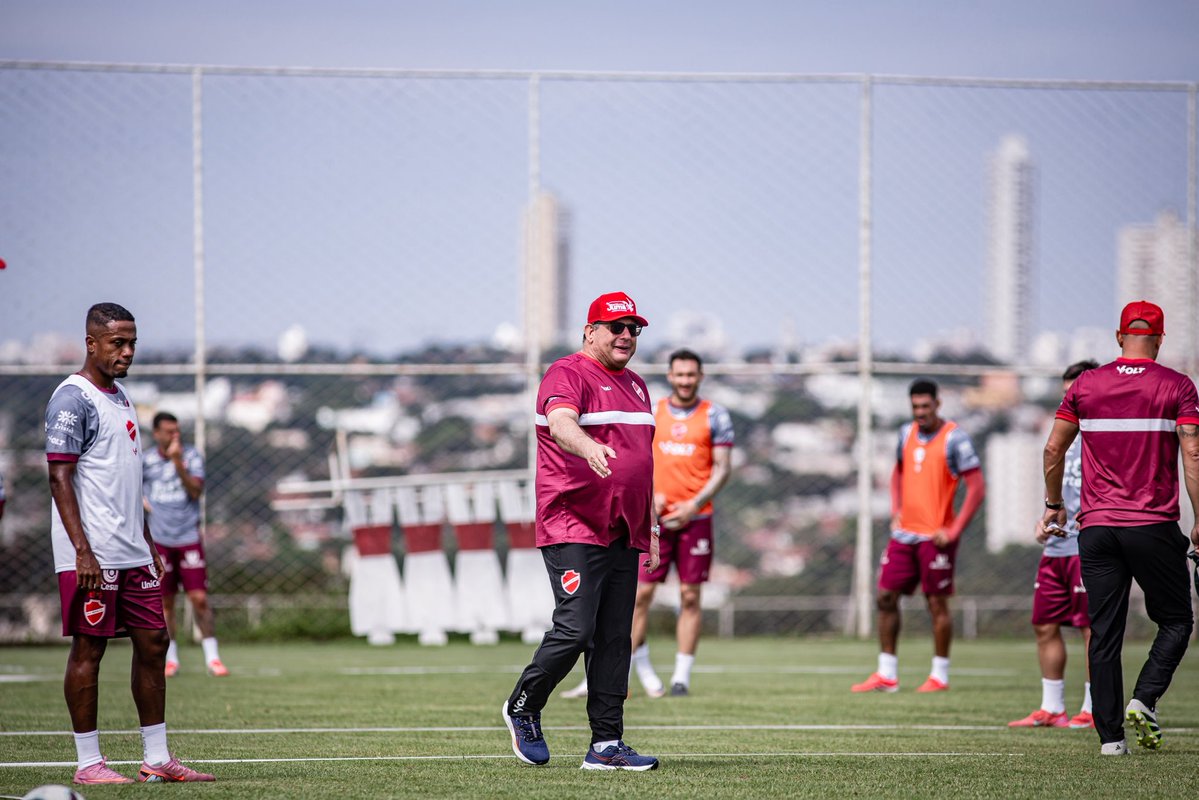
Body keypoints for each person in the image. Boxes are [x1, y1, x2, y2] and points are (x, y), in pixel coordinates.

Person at [46, 302, 214, 785]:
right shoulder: (71, 398)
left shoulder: (121, 397)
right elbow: (60, 476)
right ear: (91, 343)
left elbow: (127, 480)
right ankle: (88, 764)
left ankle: (156, 759)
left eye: (132, 342)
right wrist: (82, 551)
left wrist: (147, 540)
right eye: (117, 342)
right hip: (92, 552)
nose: (127, 351)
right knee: (89, 648)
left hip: (132, 548)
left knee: (155, 640)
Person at [501, 291, 660, 771]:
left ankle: (606, 746)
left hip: (624, 527)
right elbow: (561, 422)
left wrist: (649, 522)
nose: (627, 335)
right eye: (617, 327)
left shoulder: (636, 385)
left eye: (634, 328)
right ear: (590, 332)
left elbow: (642, 464)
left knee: (615, 636)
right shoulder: (567, 373)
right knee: (576, 628)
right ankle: (523, 705)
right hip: (574, 521)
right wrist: (587, 447)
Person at [1041, 300, 1199, 756]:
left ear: (1118, 337)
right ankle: (1144, 699)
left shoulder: (1086, 385)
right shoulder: (1178, 386)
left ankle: (1111, 740)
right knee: (1175, 620)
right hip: (1152, 526)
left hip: (1096, 530)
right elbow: (1193, 455)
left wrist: (1054, 505)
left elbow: (1053, 451)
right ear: (1160, 338)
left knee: (1104, 631)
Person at [561, 348, 734, 700]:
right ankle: (614, 675)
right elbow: (637, 459)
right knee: (639, 596)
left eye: (691, 374)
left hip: (695, 517)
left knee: (690, 595)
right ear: (670, 376)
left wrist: (693, 504)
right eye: (679, 374)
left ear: (699, 377)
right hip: (651, 517)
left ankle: (682, 677)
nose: (685, 380)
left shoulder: (715, 415)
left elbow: (723, 468)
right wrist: (649, 497)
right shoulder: (651, 411)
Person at [852, 378, 985, 694]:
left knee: (936, 603)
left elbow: (977, 488)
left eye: (926, 406)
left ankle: (939, 675)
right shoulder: (904, 434)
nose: (920, 412)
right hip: (904, 534)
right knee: (885, 596)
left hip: (935, 538)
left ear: (938, 404)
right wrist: (896, 507)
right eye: (915, 407)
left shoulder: (956, 439)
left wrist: (954, 530)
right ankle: (887, 674)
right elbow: (897, 471)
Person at [1009, 360, 1098, 730]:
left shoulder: (1105, 439)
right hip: (1056, 550)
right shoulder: (1061, 439)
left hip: (1090, 549)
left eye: (1075, 393)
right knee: (1045, 624)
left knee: (1093, 629)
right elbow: (1055, 495)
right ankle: (1052, 708)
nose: (1070, 401)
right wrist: (1043, 521)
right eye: (1065, 395)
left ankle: (1095, 709)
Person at [143, 411, 227, 677]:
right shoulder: (144, 461)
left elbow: (195, 491)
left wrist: (178, 462)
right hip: (159, 541)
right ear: (157, 433)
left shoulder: (191, 456)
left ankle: (212, 657)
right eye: (169, 431)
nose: (174, 436)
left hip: (188, 537)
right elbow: (132, 489)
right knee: (165, 601)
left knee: (199, 598)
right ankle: (171, 658)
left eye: (177, 431)